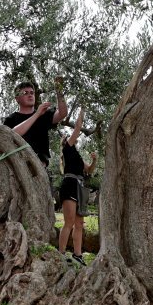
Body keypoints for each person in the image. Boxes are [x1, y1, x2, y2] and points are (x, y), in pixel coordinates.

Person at [58, 109, 97, 265]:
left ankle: (77, 255)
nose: (72, 137)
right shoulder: (67, 148)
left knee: (79, 223)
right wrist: (83, 109)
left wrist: (94, 161)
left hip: (80, 187)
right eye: (69, 137)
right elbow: (78, 127)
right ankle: (60, 253)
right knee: (69, 222)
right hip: (69, 185)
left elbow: (89, 170)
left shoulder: (78, 156)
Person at [3, 77, 68, 167]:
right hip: (18, 165)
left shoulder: (44, 115)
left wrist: (59, 92)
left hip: (40, 167)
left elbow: (63, 113)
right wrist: (37, 114)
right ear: (17, 99)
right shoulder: (11, 119)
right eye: (25, 93)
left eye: (32, 93)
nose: (30, 95)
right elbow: (12, 134)